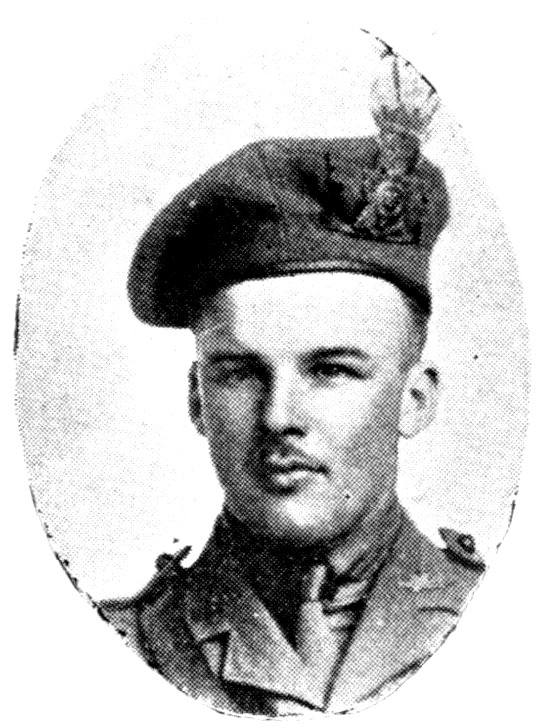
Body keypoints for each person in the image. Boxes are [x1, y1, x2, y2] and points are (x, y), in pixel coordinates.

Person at [99, 55, 485, 716]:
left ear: (414, 399)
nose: (279, 416)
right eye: (240, 373)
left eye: (331, 370)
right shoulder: (123, 646)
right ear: (197, 401)